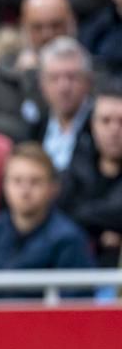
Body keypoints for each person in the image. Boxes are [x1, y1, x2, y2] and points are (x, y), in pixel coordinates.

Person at [0, 143, 93, 279]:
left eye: (35, 182)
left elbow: (76, 296)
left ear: (53, 188)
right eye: (17, 181)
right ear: (4, 185)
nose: (25, 191)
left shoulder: (69, 240)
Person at [0, 0, 76, 141]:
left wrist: (32, 76)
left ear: (71, 24)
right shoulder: (6, 68)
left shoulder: (87, 70)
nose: (47, 34)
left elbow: (56, 125)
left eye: (56, 25)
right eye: (37, 27)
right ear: (23, 27)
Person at [56, 86, 122, 267]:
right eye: (106, 121)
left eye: (121, 121)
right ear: (92, 125)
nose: (114, 130)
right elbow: (60, 215)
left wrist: (86, 221)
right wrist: (101, 235)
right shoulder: (76, 167)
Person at [32, 36, 93, 171]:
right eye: (54, 78)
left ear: (88, 81)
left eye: (72, 77)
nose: (64, 87)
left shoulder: (101, 125)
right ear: (42, 84)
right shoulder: (33, 127)